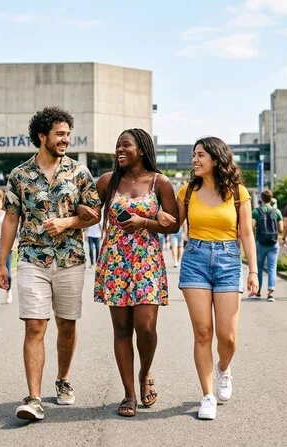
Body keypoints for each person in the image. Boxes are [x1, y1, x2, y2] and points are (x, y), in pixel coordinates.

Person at [0, 106, 101, 421]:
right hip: (32, 259)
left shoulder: (79, 173)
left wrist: (68, 222)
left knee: (67, 324)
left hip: (70, 259)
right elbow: (11, 219)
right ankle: (34, 397)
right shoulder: (19, 175)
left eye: (68, 134)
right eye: (60, 134)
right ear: (42, 136)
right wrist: (2, 264)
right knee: (34, 324)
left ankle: (64, 379)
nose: (65, 139)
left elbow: (94, 213)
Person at [94, 128, 180, 417]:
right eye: (117, 145)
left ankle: (145, 373)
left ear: (141, 149)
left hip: (146, 261)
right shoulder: (108, 181)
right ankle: (129, 394)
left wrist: (146, 221)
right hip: (115, 260)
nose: (120, 149)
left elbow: (174, 224)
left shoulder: (160, 182)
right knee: (121, 329)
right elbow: (89, 212)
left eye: (126, 145)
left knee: (145, 327)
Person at [176, 136, 258, 420]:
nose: (195, 160)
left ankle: (224, 367)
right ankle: (207, 395)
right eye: (194, 155)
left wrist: (254, 271)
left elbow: (247, 233)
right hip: (195, 259)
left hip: (228, 261)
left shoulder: (238, 193)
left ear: (216, 158)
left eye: (201, 155)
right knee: (202, 332)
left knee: (228, 336)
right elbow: (173, 223)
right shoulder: (186, 192)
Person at [252, 189, 284, 301]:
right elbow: (281, 229)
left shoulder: (256, 212)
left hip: (260, 243)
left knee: (259, 268)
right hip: (273, 243)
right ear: (271, 199)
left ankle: (258, 290)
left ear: (262, 199)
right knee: (272, 268)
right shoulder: (277, 212)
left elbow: (251, 227)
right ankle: (270, 293)